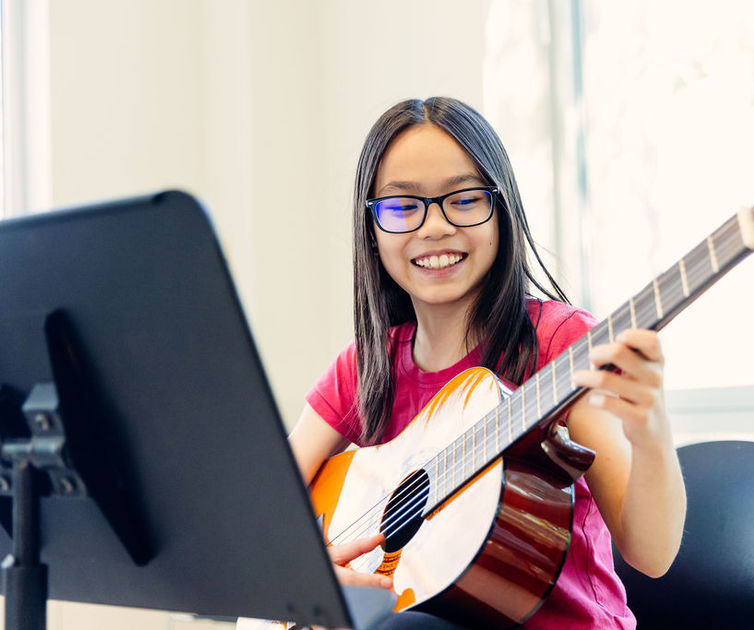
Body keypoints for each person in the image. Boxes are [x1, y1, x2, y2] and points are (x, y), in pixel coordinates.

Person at [248, 97, 686, 630]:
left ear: (501, 211)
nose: (433, 227)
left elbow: (652, 555)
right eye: (402, 206)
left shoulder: (559, 345)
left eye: (463, 199)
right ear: (372, 228)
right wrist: (310, 577)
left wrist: (651, 427)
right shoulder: (368, 366)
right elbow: (260, 517)